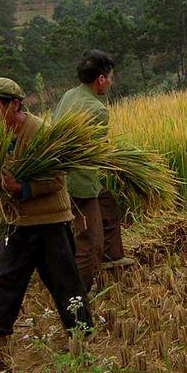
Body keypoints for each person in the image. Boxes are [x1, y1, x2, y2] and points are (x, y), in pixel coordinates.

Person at [0, 77, 93, 366]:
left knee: (65, 282)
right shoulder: (0, 134)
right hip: (19, 222)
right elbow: (1, 171)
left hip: (50, 221)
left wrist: (22, 189)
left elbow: (57, 178)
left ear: (13, 104)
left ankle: (79, 341)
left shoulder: (40, 132)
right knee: (5, 280)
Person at [53, 50, 133, 292]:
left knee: (107, 207)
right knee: (90, 240)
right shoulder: (97, 110)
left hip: (64, 172)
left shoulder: (69, 95)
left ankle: (113, 258)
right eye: (110, 77)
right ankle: (79, 295)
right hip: (80, 180)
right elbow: (95, 151)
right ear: (101, 79)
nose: (111, 80)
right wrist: (118, 160)